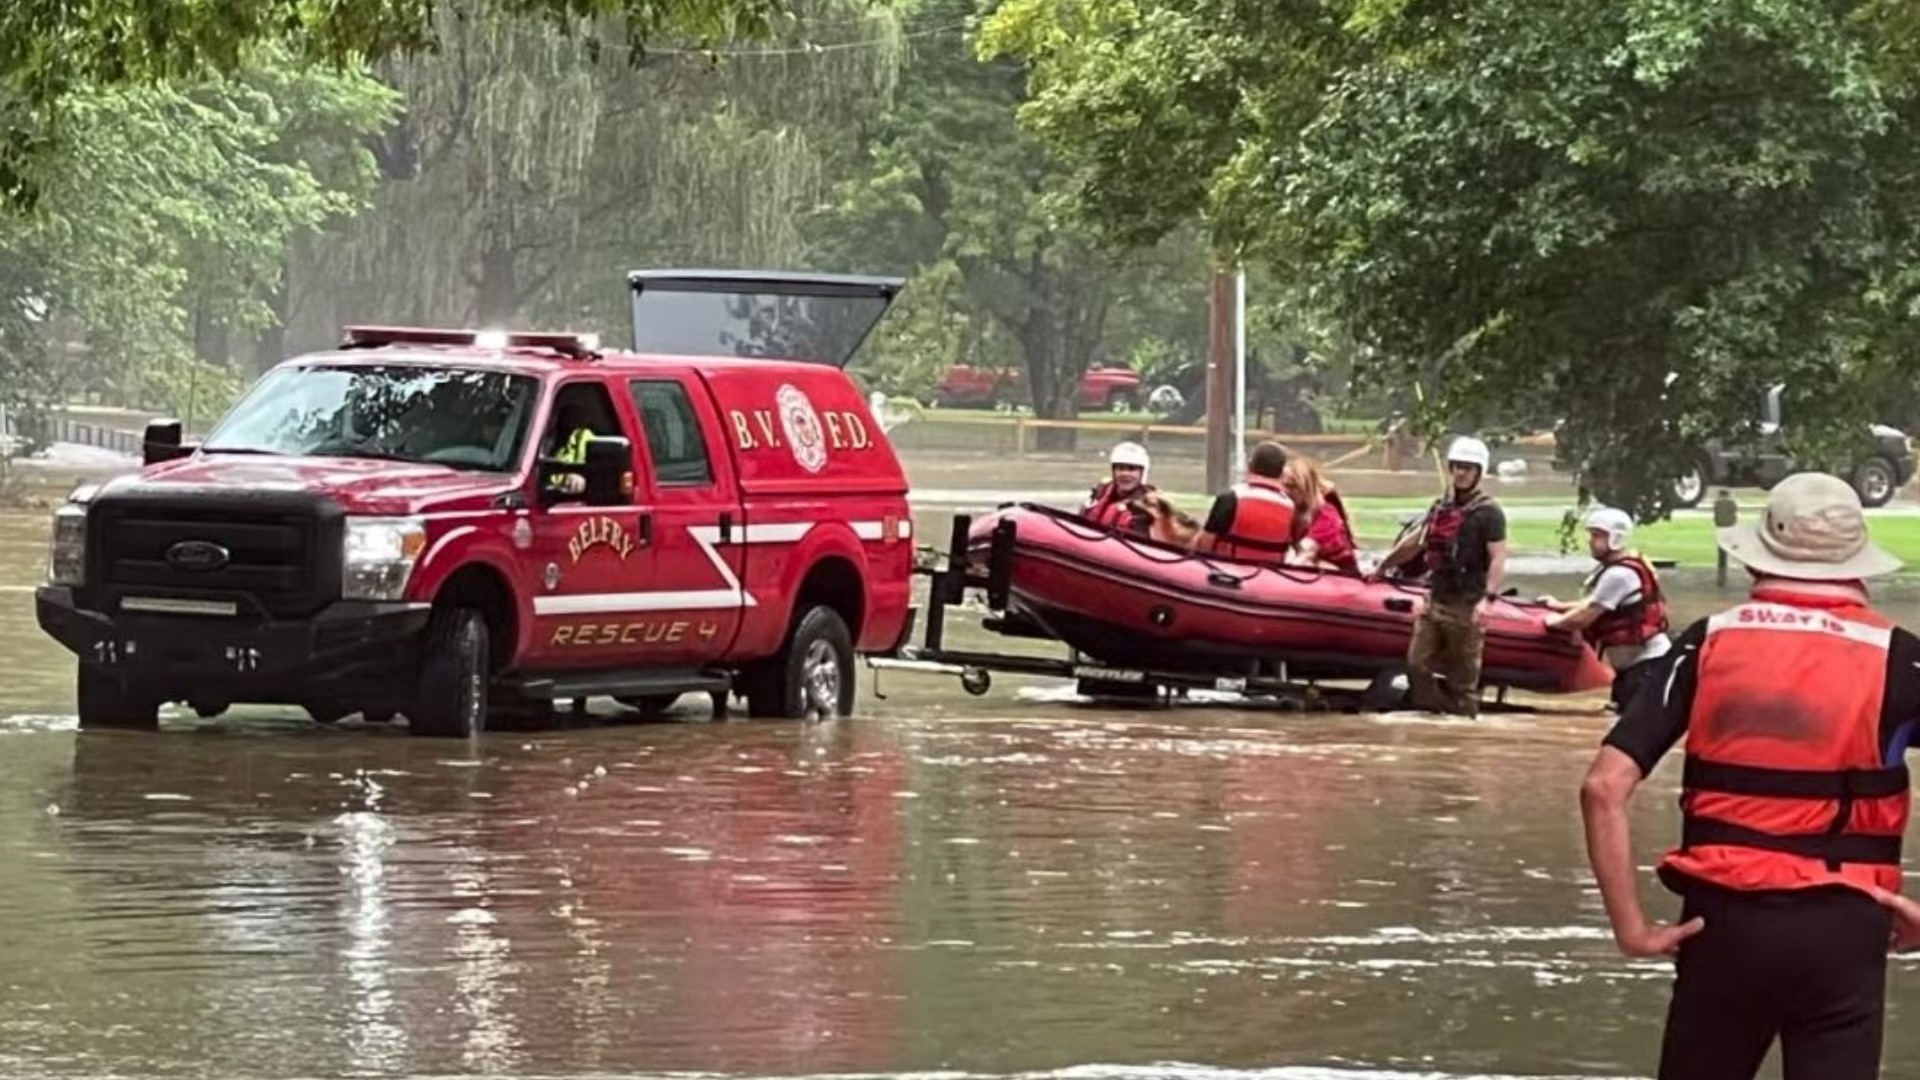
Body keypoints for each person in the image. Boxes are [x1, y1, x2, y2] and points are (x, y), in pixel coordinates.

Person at [1579, 472, 1918, 1080]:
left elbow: (1603, 786)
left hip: (1723, 926)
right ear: (1858, 565)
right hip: (1845, 927)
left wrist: (1632, 928)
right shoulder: (1900, 656)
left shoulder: (1707, 641)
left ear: (1758, 558)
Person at [1369, 435, 1508, 716]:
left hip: (1466, 604)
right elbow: (1416, 543)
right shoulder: (1439, 508)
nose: (1460, 473)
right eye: (1456, 466)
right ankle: (1437, 717)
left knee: (1463, 680)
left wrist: (1488, 599)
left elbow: (1498, 557)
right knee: (1417, 665)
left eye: (1467, 468)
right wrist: (1383, 566)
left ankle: (1463, 722)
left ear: (1479, 472)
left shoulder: (1489, 513)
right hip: (1435, 599)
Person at [1539, 506, 1672, 711]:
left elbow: (1584, 617)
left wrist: (1548, 623)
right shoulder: (1617, 569)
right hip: (1636, 669)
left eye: (1597, 536)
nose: (1590, 541)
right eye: (1591, 535)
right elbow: (1597, 602)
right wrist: (1558, 606)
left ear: (1615, 538)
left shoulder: (1619, 575)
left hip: (1647, 668)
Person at [1191, 441, 1297, 564]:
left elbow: (1204, 545)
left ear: (1250, 465)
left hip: (1227, 573)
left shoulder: (1230, 498)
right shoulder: (1290, 506)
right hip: (1270, 575)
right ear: (1282, 472)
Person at [1281, 454, 1360, 574]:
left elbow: (1306, 553)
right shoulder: (1292, 511)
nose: (1286, 491)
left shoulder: (1327, 515)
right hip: (1316, 570)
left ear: (1307, 488)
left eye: (1292, 486)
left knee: (1308, 564)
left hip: (1343, 575)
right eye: (1284, 486)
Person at [1081, 441, 1156, 535]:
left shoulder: (1148, 506)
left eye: (1131, 469)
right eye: (1120, 468)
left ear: (1142, 473)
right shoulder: (1099, 493)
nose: (1125, 474)